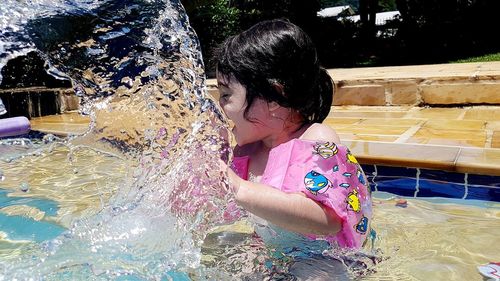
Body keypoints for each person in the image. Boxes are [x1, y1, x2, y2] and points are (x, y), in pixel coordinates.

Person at [215, 19, 372, 251]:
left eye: (227, 94)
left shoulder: (316, 138)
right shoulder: (247, 152)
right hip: (278, 253)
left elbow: (328, 220)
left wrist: (238, 187)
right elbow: (219, 210)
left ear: (273, 97)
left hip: (328, 261)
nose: (221, 104)